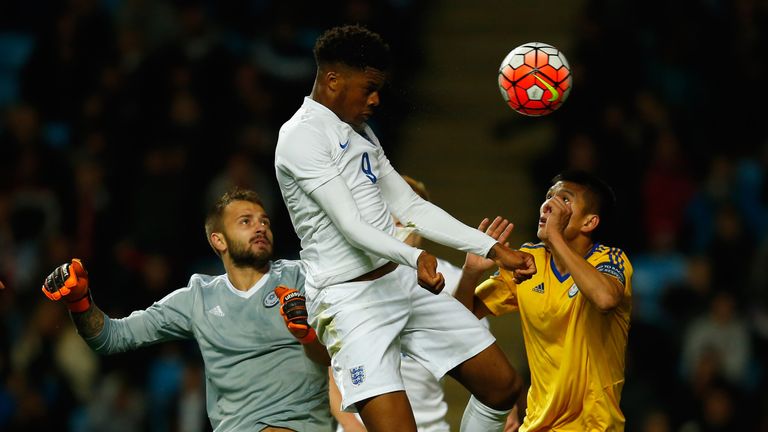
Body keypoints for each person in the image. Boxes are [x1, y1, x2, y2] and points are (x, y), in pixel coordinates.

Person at [274, 24, 536, 432]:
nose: (376, 99)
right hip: (351, 303)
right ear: (332, 80)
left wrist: (492, 249)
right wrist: (415, 255)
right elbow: (351, 225)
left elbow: (411, 205)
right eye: (369, 88)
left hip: (399, 284)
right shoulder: (300, 137)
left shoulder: (362, 132)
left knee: (503, 387)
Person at [40, 187, 333, 432]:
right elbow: (111, 338)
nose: (260, 227)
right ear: (218, 239)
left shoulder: (304, 277)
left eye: (265, 221)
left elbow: (337, 353)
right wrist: (79, 301)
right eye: (246, 221)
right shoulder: (197, 298)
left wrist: (307, 333)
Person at [456, 170, 633, 431]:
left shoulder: (610, 260)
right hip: (537, 424)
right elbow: (457, 321)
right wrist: (471, 272)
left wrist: (556, 237)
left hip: (595, 425)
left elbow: (605, 299)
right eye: (549, 196)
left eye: (565, 199)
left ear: (589, 222)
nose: (549, 204)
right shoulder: (528, 262)